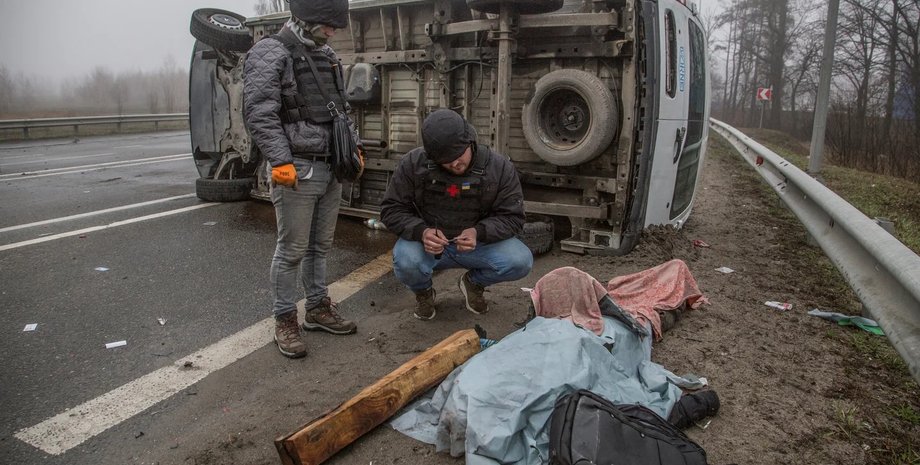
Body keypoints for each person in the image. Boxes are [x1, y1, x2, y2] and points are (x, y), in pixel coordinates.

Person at [243, 0, 359, 359]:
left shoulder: (328, 55)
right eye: (328, 25)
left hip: (331, 167)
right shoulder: (270, 52)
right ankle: (284, 319)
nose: (332, 32)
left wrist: (353, 146)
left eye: (335, 26)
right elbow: (259, 112)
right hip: (297, 168)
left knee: (319, 247)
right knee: (292, 250)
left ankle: (318, 309)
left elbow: (342, 109)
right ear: (305, 18)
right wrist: (280, 160)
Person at [380, 109, 534, 320]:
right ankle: (424, 292)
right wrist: (421, 232)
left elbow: (513, 217)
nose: (454, 164)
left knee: (520, 261)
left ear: (470, 142)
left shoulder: (499, 168)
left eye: (458, 155)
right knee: (406, 261)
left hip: (477, 245)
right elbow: (391, 209)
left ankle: (473, 283)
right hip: (428, 247)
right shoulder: (413, 164)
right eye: (445, 160)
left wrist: (478, 232)